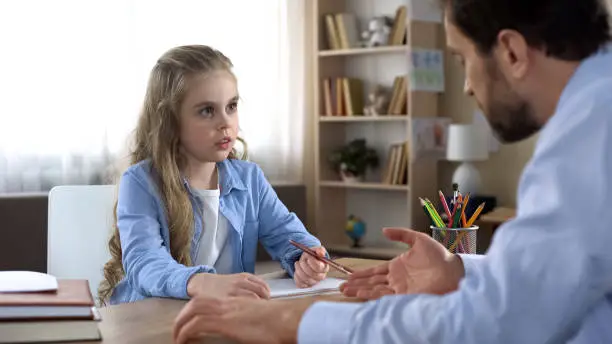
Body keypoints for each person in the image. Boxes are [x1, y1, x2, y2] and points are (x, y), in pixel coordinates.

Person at [171, 0, 612, 343]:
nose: (466, 85)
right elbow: (557, 282)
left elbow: (488, 325)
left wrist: (293, 320)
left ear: (512, 52)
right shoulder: (595, 112)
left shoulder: (589, 135)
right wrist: (461, 271)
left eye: (461, 60)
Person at [97, 45, 329, 306]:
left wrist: (306, 259)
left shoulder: (249, 178)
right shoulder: (141, 182)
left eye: (231, 106)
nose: (225, 122)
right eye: (207, 111)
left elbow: (287, 233)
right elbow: (145, 261)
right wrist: (201, 282)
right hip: (153, 318)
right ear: (170, 121)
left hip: (225, 315)